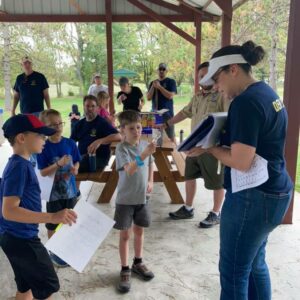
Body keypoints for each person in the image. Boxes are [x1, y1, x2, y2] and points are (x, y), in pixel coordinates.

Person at [188, 41, 293, 299]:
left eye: (217, 78)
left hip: (252, 197)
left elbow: (241, 161)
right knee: (255, 264)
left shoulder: (245, 103)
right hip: (275, 191)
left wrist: (208, 147)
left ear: (233, 69)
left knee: (233, 270)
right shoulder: (267, 93)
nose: (216, 86)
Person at [0, 114, 77, 300]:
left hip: (13, 237)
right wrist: (52, 217)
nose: (45, 139)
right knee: (47, 287)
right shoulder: (19, 167)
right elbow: (9, 210)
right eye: (40, 135)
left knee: (26, 287)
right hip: (22, 239)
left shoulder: (23, 163)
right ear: (21, 138)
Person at [165, 62, 229, 228]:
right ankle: (188, 208)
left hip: (211, 148)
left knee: (217, 182)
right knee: (190, 176)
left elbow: (228, 119)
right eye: (200, 76)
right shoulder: (197, 97)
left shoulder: (221, 95)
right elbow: (185, 112)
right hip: (193, 146)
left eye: (206, 75)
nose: (202, 78)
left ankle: (216, 213)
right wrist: (167, 123)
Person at [114, 110, 155, 293]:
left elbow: (151, 164)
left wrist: (151, 181)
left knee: (139, 231)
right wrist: (144, 154)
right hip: (125, 199)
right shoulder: (121, 149)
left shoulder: (145, 144)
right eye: (131, 128)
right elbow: (129, 170)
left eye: (138, 127)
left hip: (142, 198)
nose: (136, 131)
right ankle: (125, 268)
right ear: (122, 130)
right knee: (125, 235)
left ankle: (138, 262)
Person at [37, 109, 81, 267]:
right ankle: (54, 250)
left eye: (60, 123)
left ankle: (68, 248)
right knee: (53, 223)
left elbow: (77, 160)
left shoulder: (69, 143)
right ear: (45, 127)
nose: (58, 127)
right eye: (53, 125)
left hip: (70, 192)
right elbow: (42, 172)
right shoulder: (43, 147)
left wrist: (75, 168)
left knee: (71, 220)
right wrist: (58, 164)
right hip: (53, 195)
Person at [70, 95, 121, 173]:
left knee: (69, 168)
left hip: (98, 158)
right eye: (87, 106)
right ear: (83, 107)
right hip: (81, 157)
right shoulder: (79, 124)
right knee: (65, 163)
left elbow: (119, 136)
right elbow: (71, 142)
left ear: (97, 108)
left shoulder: (102, 123)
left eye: (93, 106)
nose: (90, 109)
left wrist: (100, 141)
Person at [147, 63, 177, 142]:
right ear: (157, 71)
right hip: (155, 114)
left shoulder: (171, 81)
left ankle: (175, 152)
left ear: (166, 71)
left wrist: (160, 87)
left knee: (171, 137)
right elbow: (148, 97)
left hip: (167, 114)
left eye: (163, 69)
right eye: (160, 69)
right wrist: (153, 86)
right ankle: (157, 153)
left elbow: (170, 95)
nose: (161, 71)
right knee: (156, 138)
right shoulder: (152, 83)